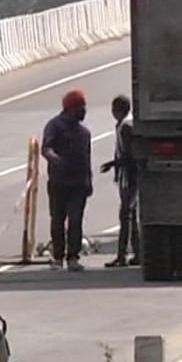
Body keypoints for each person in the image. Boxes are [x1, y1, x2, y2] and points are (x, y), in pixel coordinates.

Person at [42, 90, 93, 271]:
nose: (84, 111)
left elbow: (87, 159)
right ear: (72, 108)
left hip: (78, 184)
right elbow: (46, 148)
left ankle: (73, 257)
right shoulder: (54, 126)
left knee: (76, 220)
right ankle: (58, 257)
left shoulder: (84, 133)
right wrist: (54, 159)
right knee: (57, 220)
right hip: (58, 183)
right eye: (82, 107)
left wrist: (89, 181)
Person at [101, 96, 140, 268]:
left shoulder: (125, 127)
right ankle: (137, 254)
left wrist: (113, 164)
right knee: (131, 217)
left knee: (125, 216)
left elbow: (130, 155)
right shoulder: (126, 124)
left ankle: (122, 255)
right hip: (128, 176)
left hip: (129, 178)